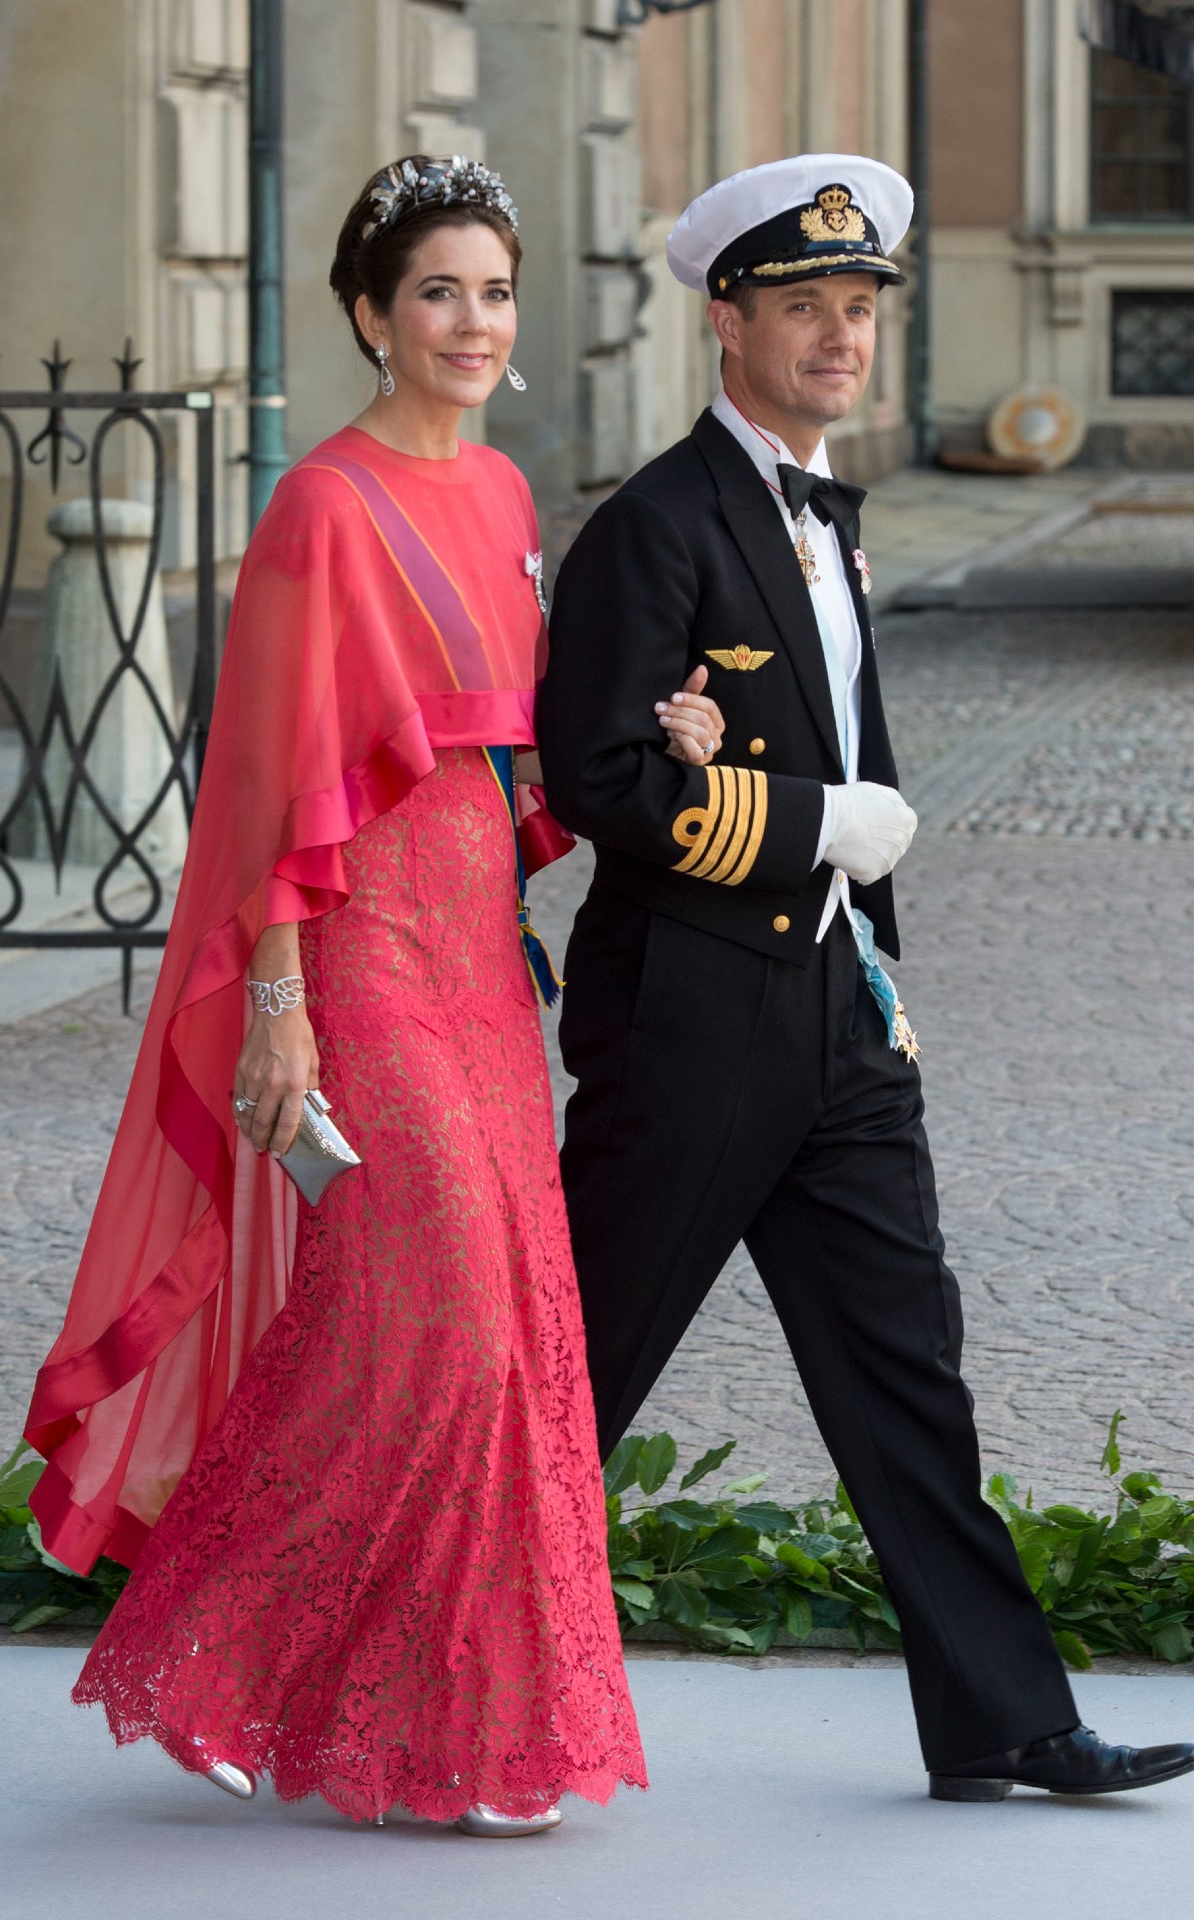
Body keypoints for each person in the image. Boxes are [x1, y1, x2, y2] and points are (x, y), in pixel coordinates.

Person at [23, 153, 730, 1834]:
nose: (472, 321)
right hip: (350, 963)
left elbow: (513, 771)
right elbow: (267, 784)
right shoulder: (321, 509)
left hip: (483, 962)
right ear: (368, 313)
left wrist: (656, 746)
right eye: (437, 291)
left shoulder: (500, 499)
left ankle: (441, 1718)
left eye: (494, 292)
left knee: (508, 1344)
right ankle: (229, 1650)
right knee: (443, 1314)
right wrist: (277, 1010)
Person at [538, 153, 1194, 1803]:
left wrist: (877, 976)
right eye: (802, 306)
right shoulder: (653, 527)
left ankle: (1008, 1719)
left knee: (911, 1375)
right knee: (569, 1387)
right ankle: (404, 1669)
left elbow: (843, 742)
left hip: (832, 1020)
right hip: (685, 1030)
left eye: (856, 307)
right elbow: (605, 778)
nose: (839, 334)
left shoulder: (831, 516)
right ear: (727, 320)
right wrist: (818, 822)